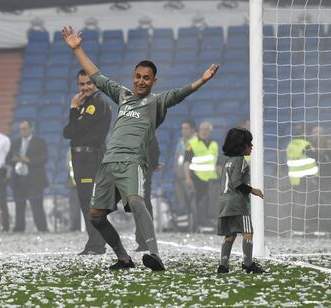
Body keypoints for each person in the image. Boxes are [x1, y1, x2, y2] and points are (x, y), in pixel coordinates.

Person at [61, 25, 219, 271]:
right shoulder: (122, 95)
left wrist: (202, 80)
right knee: (95, 217)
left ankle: (154, 254)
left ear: (154, 81)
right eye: (138, 76)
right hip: (108, 162)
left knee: (136, 202)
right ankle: (123, 258)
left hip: (132, 161)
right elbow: (96, 76)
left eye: (147, 78)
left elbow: (179, 94)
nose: (141, 81)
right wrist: (77, 49)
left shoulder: (156, 101)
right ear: (133, 76)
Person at [63, 69, 112, 255]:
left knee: (90, 201)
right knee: (85, 201)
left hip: (90, 158)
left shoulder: (96, 103)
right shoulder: (86, 104)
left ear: (96, 84)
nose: (84, 88)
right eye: (81, 84)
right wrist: (77, 113)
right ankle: (94, 243)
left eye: (88, 83)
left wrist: (73, 109)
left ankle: (97, 244)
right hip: (81, 158)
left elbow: (76, 128)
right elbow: (67, 132)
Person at [217, 128, 265, 274]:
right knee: (248, 231)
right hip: (237, 203)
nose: (251, 146)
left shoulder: (228, 161)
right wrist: (253, 190)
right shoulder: (240, 160)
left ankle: (223, 266)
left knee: (230, 234)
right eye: (248, 143)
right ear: (240, 146)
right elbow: (237, 182)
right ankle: (248, 264)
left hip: (224, 201)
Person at [6, 120, 49, 232]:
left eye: (24, 128)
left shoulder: (40, 142)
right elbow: (7, 159)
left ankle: (42, 228)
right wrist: (14, 160)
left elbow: (44, 159)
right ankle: (19, 228)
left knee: (37, 205)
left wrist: (28, 160)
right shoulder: (15, 143)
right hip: (18, 180)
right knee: (19, 206)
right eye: (20, 129)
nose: (22, 131)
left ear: (31, 129)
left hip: (34, 180)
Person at [184, 120, 220, 232]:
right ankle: (200, 224)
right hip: (197, 178)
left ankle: (209, 223)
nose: (204, 131)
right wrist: (188, 178)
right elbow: (186, 163)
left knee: (211, 202)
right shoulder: (192, 143)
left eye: (206, 129)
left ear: (210, 131)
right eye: (202, 129)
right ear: (199, 130)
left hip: (212, 178)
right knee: (200, 202)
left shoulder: (215, 144)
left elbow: (218, 162)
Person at [286, 123, 318, 233]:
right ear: (304, 132)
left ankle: (296, 228)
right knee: (310, 203)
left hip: (295, 179)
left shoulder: (290, 145)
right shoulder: (306, 145)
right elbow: (316, 157)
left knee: (298, 204)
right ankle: (309, 228)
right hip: (307, 178)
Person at [134, 136, 160, 251]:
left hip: (139, 167)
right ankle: (144, 240)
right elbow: (155, 149)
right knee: (140, 202)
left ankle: (145, 240)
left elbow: (154, 149)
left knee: (140, 203)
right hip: (140, 167)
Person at [173, 118, 196, 230]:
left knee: (193, 204)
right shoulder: (181, 141)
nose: (183, 130)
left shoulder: (196, 142)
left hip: (190, 178)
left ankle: (196, 227)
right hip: (178, 178)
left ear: (192, 129)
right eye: (182, 128)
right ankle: (184, 229)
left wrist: (189, 176)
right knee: (181, 204)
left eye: (186, 128)